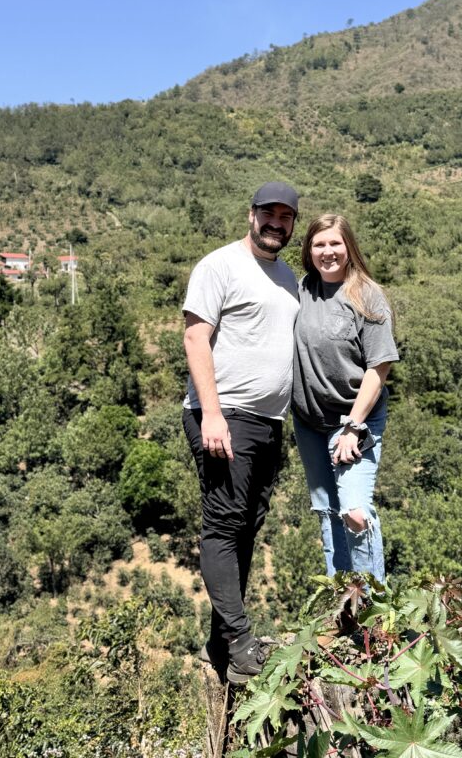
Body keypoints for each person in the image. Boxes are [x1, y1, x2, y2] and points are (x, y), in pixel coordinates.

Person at [181, 182, 299, 684]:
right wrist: (211, 413)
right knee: (224, 525)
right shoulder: (220, 266)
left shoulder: (288, 277)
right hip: (224, 416)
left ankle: (221, 642)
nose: (276, 223)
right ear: (250, 215)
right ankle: (241, 642)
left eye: (285, 216)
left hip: (269, 423)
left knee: (246, 528)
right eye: (268, 213)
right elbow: (195, 337)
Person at [291, 213, 398, 584]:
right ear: (309, 251)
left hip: (354, 420)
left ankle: (374, 604)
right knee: (328, 511)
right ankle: (341, 600)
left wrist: (353, 426)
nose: (328, 252)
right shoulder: (302, 290)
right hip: (309, 422)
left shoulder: (367, 296)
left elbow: (379, 367)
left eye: (335, 243)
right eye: (319, 244)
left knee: (354, 512)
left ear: (349, 247)